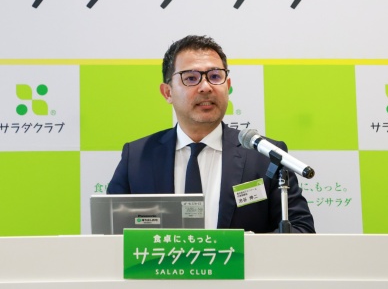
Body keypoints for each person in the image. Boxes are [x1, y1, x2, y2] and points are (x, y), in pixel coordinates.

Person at [107, 35, 315, 233]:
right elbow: (111, 234)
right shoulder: (137, 158)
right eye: (191, 78)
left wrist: (241, 248)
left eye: (215, 77)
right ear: (167, 92)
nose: (206, 87)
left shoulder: (264, 156)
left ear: (227, 86)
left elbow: (301, 229)